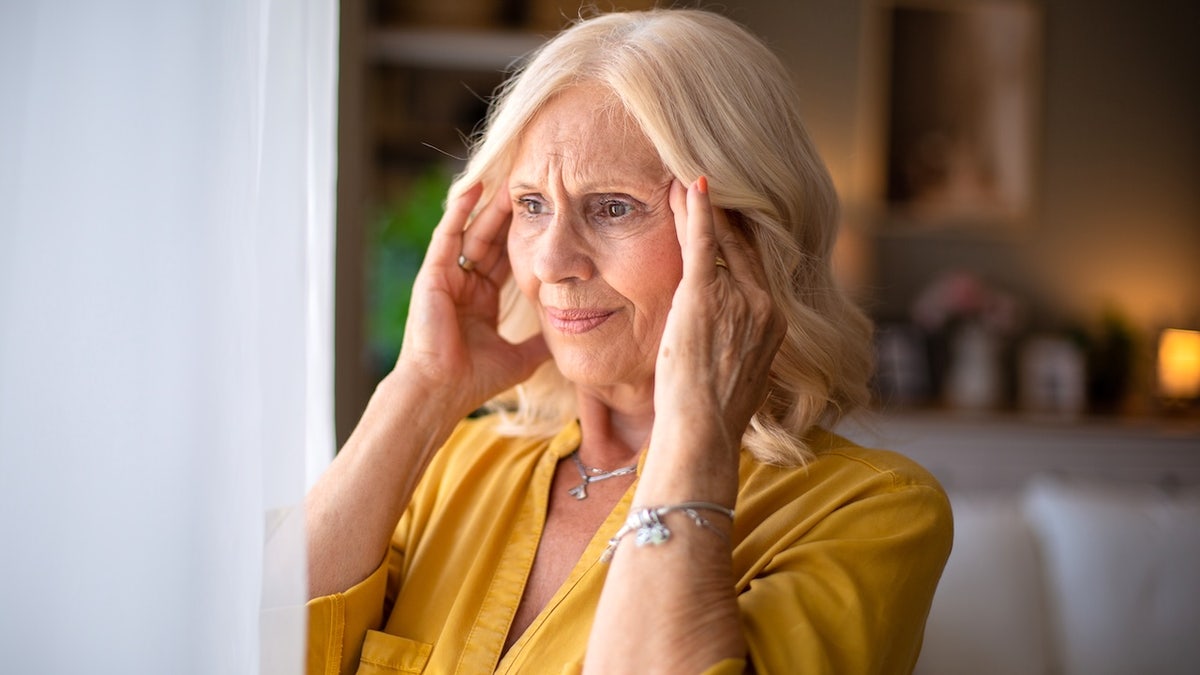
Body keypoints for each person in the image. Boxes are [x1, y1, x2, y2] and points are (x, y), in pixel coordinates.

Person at [305, 8, 952, 674]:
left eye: (612, 205)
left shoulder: (872, 511)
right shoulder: (459, 460)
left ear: (744, 239)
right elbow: (257, 646)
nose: (553, 261)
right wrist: (421, 386)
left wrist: (696, 429)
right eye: (531, 204)